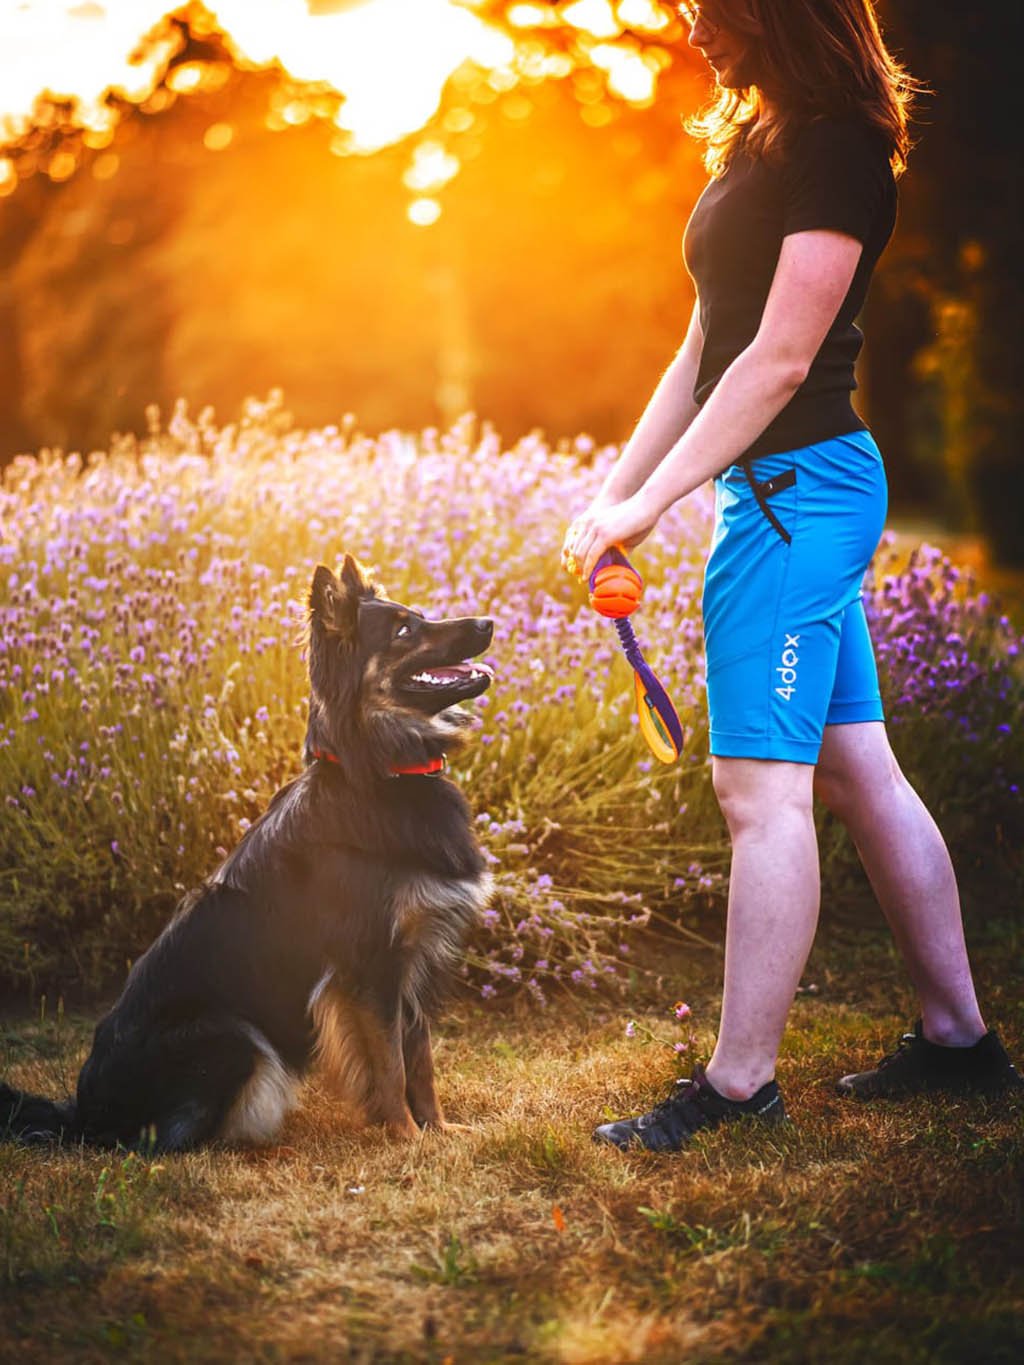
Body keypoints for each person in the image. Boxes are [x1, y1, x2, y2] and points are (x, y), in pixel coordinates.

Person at [561, 0, 1021, 1153]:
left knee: (758, 793)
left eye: (708, 13)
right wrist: (617, 498)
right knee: (858, 768)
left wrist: (650, 502)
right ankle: (960, 1042)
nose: (692, 33)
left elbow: (778, 360)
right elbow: (703, 342)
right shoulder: (760, 138)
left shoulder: (837, 147)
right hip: (777, 494)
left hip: (797, 496)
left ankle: (736, 1088)